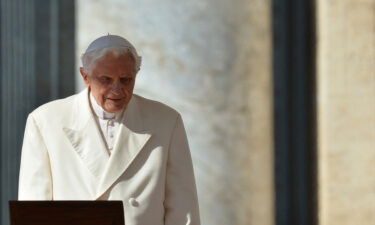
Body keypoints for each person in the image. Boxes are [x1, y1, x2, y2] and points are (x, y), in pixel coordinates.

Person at [18, 34, 201, 225]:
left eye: (125, 80)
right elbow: (34, 206)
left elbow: (183, 206)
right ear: (85, 76)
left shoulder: (166, 121)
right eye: (106, 79)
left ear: (136, 75)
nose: (117, 90)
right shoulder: (45, 121)